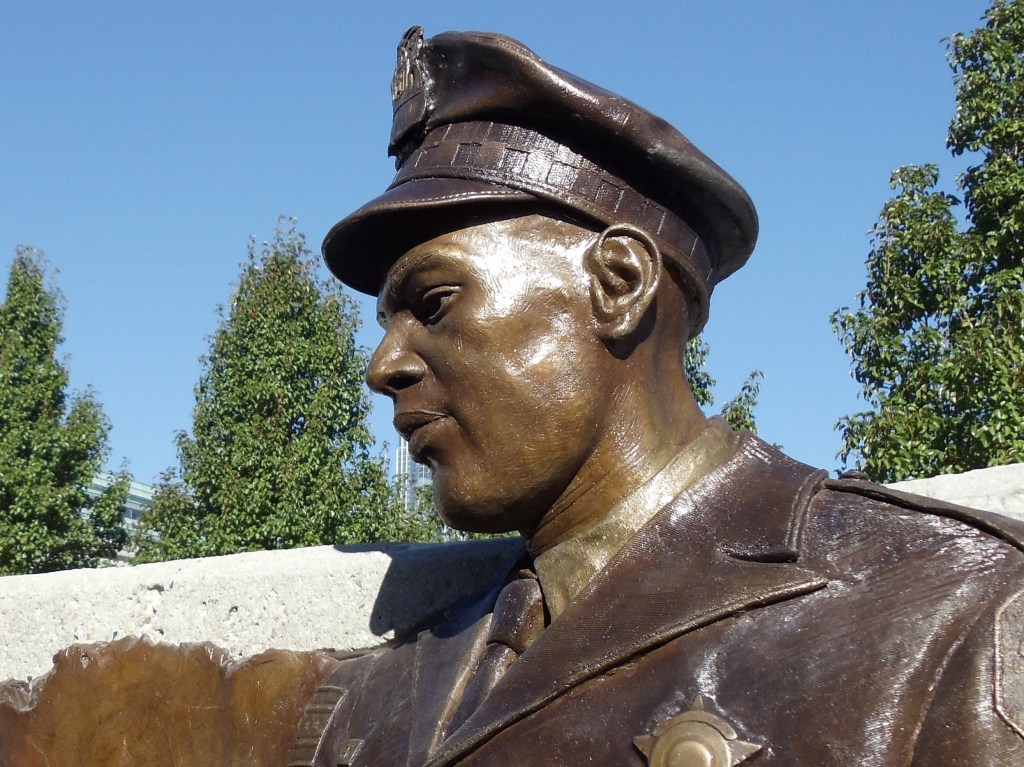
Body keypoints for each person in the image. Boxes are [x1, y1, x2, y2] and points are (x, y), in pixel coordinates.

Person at [289, 27, 1024, 766]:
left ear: (619, 284)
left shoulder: (959, 609)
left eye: (435, 302)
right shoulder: (404, 676)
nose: (382, 366)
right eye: (387, 324)